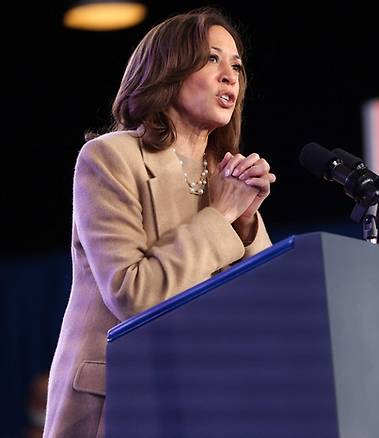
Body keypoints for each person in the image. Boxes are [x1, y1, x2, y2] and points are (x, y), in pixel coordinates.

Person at [44, 7, 275, 437]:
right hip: (118, 405)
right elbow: (135, 294)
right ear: (168, 69)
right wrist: (221, 216)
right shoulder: (109, 158)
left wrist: (245, 224)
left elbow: (259, 320)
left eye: (237, 65)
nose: (230, 75)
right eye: (212, 59)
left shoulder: (225, 182)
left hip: (203, 407)